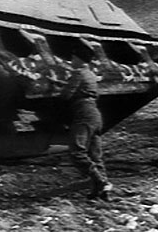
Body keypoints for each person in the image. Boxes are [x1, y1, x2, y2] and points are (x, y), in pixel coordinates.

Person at [60, 43, 113, 201]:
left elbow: (66, 95)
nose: (71, 60)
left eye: (73, 57)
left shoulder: (78, 73)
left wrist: (60, 86)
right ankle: (102, 193)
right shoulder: (90, 74)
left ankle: (101, 182)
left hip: (84, 113)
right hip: (95, 114)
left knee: (77, 151)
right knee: (96, 155)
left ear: (78, 59)